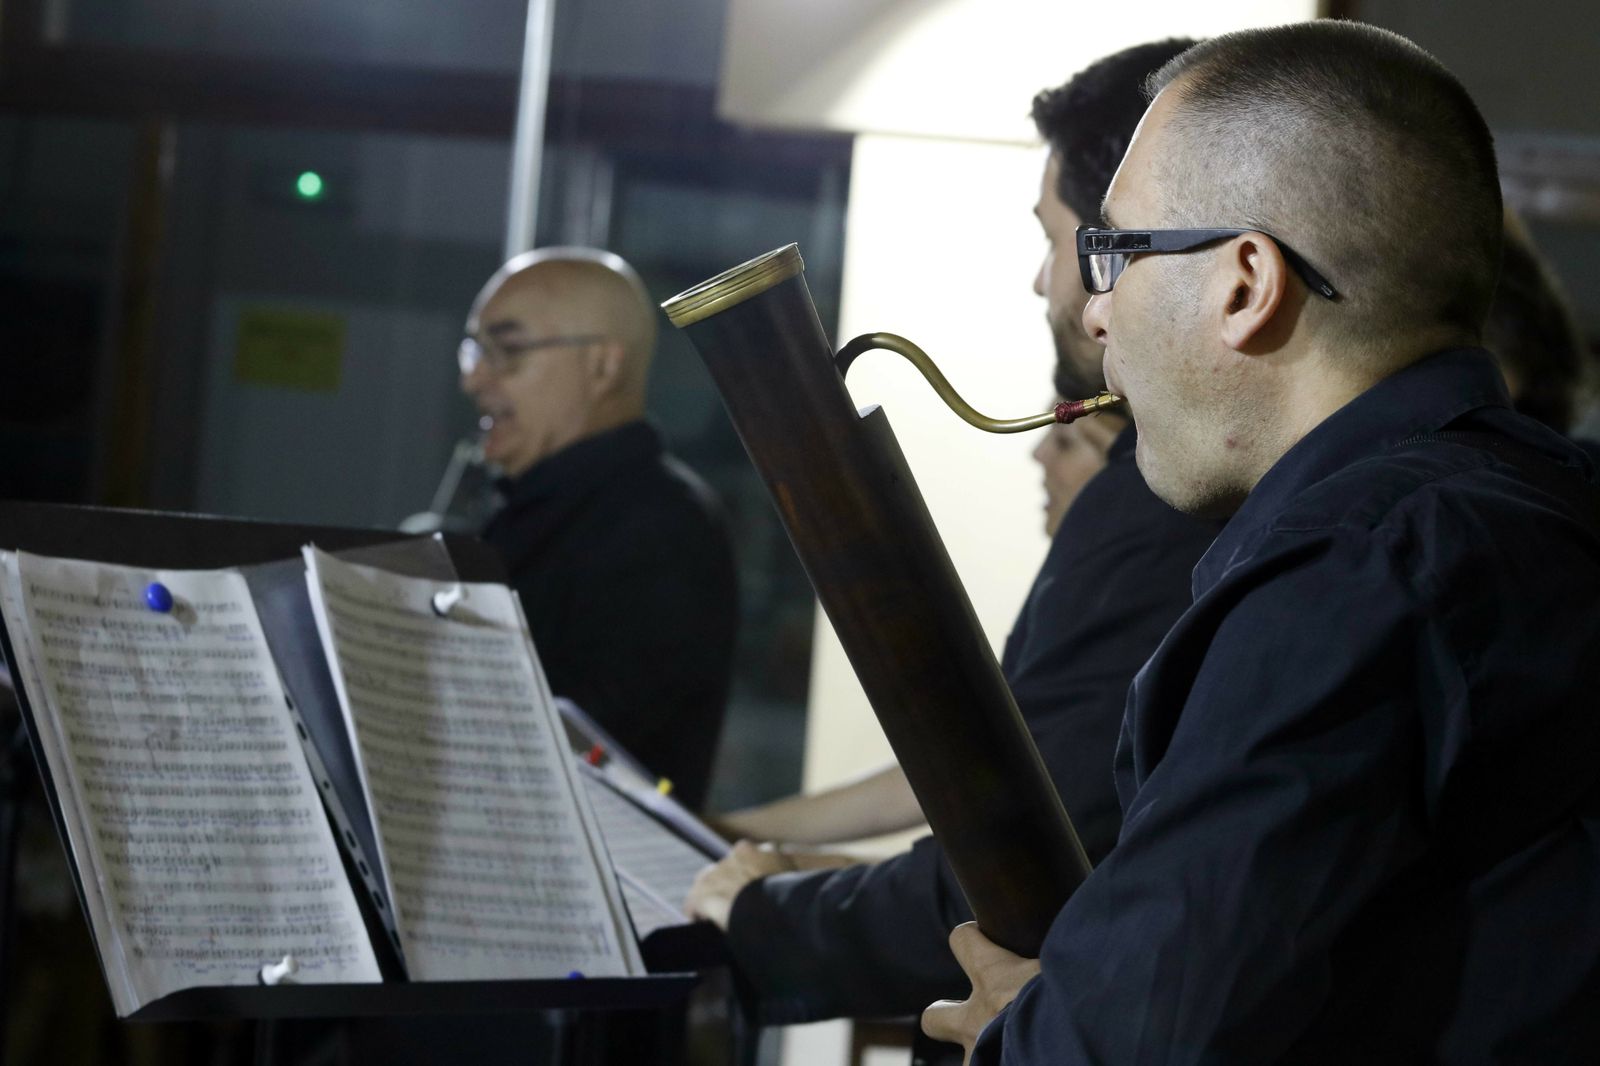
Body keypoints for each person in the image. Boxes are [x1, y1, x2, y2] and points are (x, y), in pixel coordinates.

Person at [922, 23, 1600, 1063]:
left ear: (1245, 282)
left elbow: (1125, 1043)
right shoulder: (1548, 497)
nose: (1094, 313)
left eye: (1117, 252)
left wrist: (1022, 1031)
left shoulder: (1350, 573)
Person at [684, 39, 1219, 1024]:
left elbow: (1031, 862)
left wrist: (762, 921)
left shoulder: (1163, 499)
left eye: (1058, 237)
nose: (1047, 284)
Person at [460, 247, 738, 812]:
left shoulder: (662, 527)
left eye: (506, 350)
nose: (475, 378)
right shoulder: (537, 506)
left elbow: (600, 755)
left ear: (604, 366)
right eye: (473, 350)